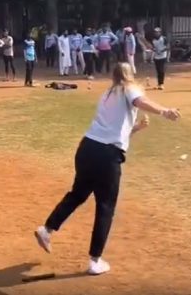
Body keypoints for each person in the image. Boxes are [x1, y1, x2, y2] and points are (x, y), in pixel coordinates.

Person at [33, 62, 181, 275]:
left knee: (77, 194)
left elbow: (113, 131)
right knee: (105, 206)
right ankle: (95, 260)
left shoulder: (107, 95)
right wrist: (165, 111)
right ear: (130, 75)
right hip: (106, 156)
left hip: (87, 148)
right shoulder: (130, 88)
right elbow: (141, 100)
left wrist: (136, 128)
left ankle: (46, 229)